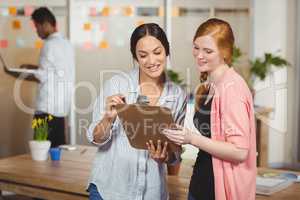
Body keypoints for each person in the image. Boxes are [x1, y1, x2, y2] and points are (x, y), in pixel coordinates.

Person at [86, 23, 187, 200]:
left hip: (152, 193)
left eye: (157, 52)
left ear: (166, 51)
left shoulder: (177, 95)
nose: (151, 61)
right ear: (135, 57)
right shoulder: (117, 84)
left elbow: (175, 153)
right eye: (143, 55)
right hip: (110, 190)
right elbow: (96, 138)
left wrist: (164, 156)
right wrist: (108, 120)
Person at [163, 18, 256, 200]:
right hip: (202, 184)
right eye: (196, 47)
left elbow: (240, 151)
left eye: (208, 51)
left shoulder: (232, 89)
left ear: (225, 52)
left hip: (219, 190)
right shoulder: (211, 84)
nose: (199, 55)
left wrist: (191, 138)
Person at [4, 7, 75, 147]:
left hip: (46, 110)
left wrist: (14, 73)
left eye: (37, 27)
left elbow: (41, 77)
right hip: (60, 110)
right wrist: (32, 67)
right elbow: (54, 72)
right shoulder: (66, 44)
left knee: (41, 152)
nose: (37, 32)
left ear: (46, 24)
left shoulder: (49, 45)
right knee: (57, 152)